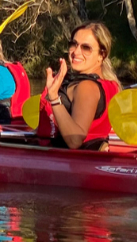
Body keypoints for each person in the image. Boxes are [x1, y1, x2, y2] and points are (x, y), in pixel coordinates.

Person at [38, 22, 121, 150]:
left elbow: (75, 140)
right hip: (91, 159)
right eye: (73, 44)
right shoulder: (111, 84)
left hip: (69, 162)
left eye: (86, 48)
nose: (76, 52)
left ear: (101, 55)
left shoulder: (86, 87)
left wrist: (54, 97)